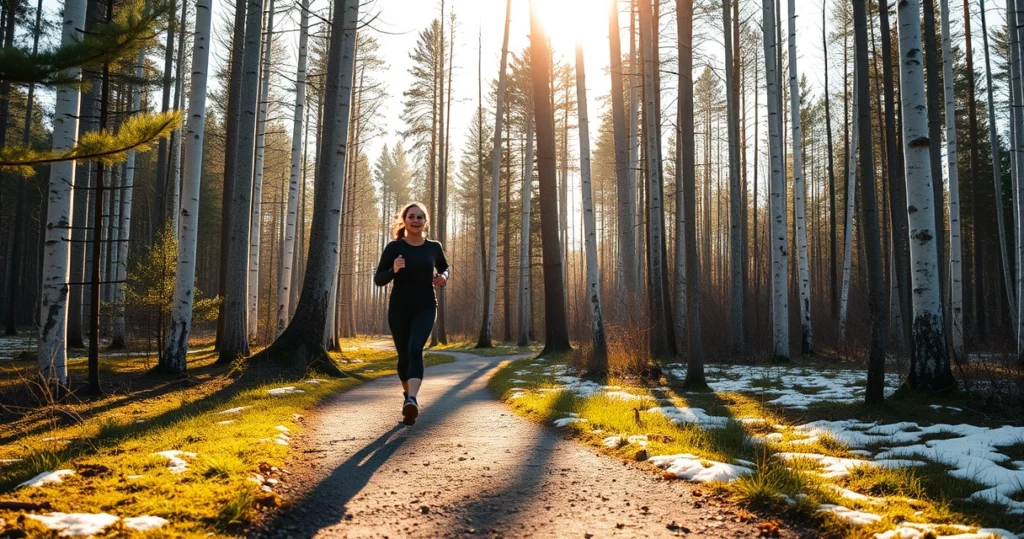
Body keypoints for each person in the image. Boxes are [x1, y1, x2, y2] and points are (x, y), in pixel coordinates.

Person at [374, 202, 449, 426]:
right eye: (412, 217)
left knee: (415, 348)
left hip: (426, 305)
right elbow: (379, 279)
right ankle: (408, 397)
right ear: (404, 221)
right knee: (404, 356)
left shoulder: (434, 247)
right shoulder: (394, 248)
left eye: (420, 217)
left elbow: (445, 267)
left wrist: (444, 276)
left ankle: (413, 399)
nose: (416, 221)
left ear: (426, 222)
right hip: (399, 308)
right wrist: (393, 270)